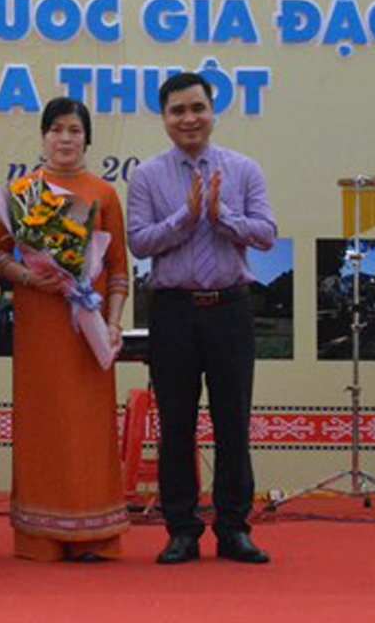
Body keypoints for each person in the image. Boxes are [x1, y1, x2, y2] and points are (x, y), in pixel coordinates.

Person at [126, 72, 276, 565]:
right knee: (176, 425)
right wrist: (186, 218)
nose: (188, 118)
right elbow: (140, 242)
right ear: (165, 118)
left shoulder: (244, 168)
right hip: (173, 312)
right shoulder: (147, 176)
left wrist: (221, 214)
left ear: (213, 111)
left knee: (233, 423)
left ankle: (234, 528)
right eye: (177, 110)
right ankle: (182, 530)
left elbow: (266, 233)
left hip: (230, 308)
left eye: (197, 108)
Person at [0, 97, 130, 562]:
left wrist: (110, 323)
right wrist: (32, 277)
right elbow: (0, 256)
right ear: (43, 136)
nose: (65, 138)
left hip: (86, 328)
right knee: (42, 424)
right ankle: (39, 536)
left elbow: (116, 269)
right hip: (39, 325)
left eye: (74, 129)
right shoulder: (23, 191)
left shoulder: (103, 194)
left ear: (87, 137)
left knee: (88, 429)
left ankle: (95, 536)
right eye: (56, 129)